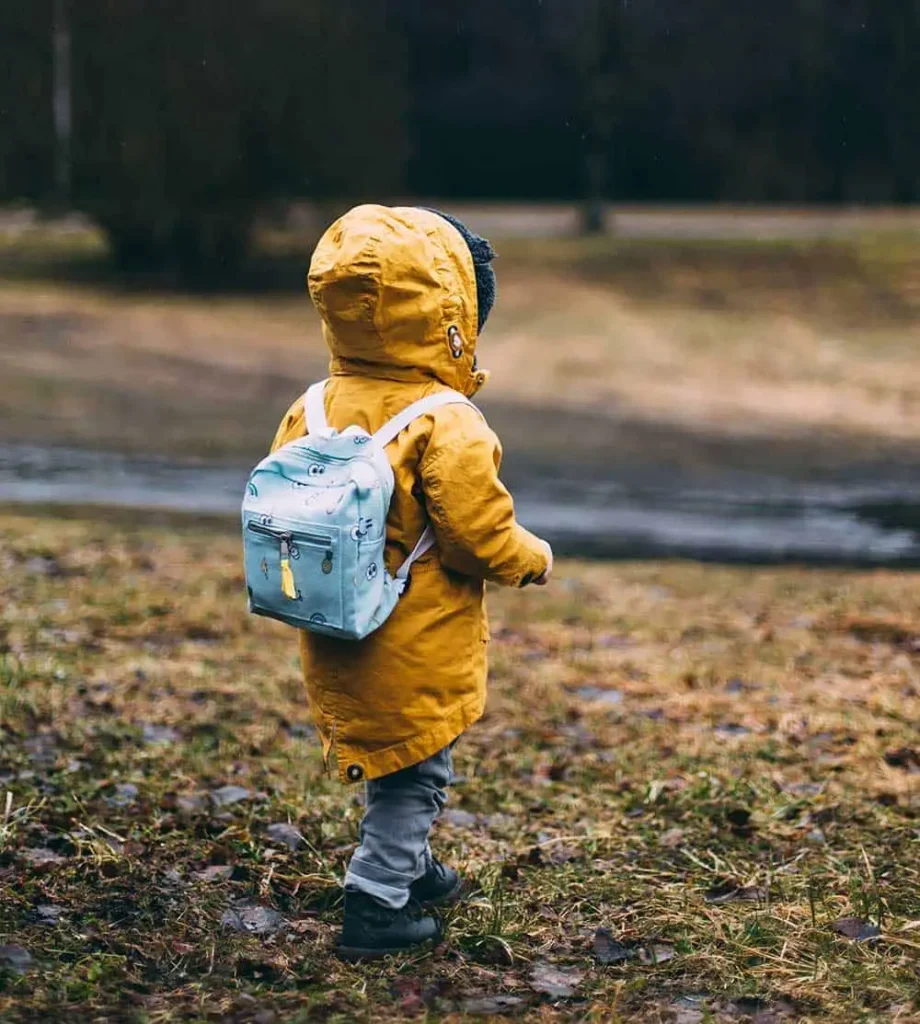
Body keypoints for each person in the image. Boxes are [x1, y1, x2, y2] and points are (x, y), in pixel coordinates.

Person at [271, 204, 553, 960]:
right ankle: (378, 900)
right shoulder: (446, 420)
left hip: (336, 627)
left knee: (397, 756)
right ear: (451, 315)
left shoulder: (315, 406)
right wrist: (531, 556)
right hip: (414, 635)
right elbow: (476, 535)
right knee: (419, 772)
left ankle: (411, 864)